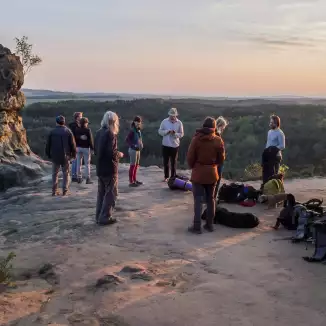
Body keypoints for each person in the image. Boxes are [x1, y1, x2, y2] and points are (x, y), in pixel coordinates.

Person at [187, 117, 225, 234]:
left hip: (198, 172)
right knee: (211, 199)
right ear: (214, 128)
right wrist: (213, 165)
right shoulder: (218, 140)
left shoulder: (196, 139)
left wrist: (194, 166)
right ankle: (209, 225)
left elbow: (190, 157)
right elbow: (222, 158)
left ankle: (197, 227)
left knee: (198, 200)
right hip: (212, 173)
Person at [94, 111, 124, 226]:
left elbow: (96, 150)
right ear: (114, 121)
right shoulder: (110, 134)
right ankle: (105, 216)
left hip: (100, 167)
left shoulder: (98, 132)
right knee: (111, 193)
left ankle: (98, 216)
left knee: (101, 193)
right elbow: (111, 152)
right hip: (110, 168)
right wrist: (119, 154)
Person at [45, 115, 76, 196]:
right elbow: (73, 144)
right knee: (66, 173)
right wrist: (74, 154)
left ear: (56, 122)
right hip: (66, 156)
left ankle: (54, 191)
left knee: (55, 174)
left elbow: (48, 144)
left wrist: (48, 154)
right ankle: (65, 190)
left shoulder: (52, 132)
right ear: (64, 122)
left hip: (55, 156)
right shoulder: (68, 131)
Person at [158, 107, 184, 181]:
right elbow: (160, 131)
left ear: (176, 115)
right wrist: (166, 132)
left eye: (173, 116)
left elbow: (182, 134)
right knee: (165, 162)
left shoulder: (179, 123)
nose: (172, 117)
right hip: (165, 144)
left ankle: (173, 177)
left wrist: (175, 134)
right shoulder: (164, 121)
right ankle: (166, 177)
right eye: (171, 115)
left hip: (175, 145)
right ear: (169, 115)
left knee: (173, 162)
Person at [262, 115, 285, 184]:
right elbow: (268, 143)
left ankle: (277, 188)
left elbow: (282, 146)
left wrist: (273, 149)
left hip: (276, 156)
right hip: (268, 156)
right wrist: (266, 151)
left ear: (276, 123)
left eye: (272, 123)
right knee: (267, 173)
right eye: (270, 122)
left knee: (274, 174)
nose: (271, 124)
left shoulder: (280, 133)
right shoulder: (269, 132)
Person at [75, 117, 94, 184]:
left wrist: (79, 137)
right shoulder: (88, 130)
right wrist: (92, 148)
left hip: (78, 148)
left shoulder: (77, 130)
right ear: (85, 123)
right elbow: (90, 140)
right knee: (87, 164)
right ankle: (88, 179)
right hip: (86, 148)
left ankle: (79, 178)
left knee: (78, 163)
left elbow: (74, 138)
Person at [126, 116, 143, 187]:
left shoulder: (138, 130)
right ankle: (131, 182)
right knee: (132, 165)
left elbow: (139, 139)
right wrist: (133, 146)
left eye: (139, 122)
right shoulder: (132, 131)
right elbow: (127, 140)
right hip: (133, 150)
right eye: (137, 121)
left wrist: (141, 144)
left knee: (136, 165)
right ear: (134, 122)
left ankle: (135, 180)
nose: (138, 123)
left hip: (138, 150)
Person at [214, 116, 228, 199]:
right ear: (220, 125)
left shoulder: (212, 133)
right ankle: (213, 197)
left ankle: (208, 196)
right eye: (223, 127)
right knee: (217, 178)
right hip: (217, 161)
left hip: (212, 160)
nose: (224, 129)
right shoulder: (217, 135)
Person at [69, 112, 83, 182]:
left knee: (75, 160)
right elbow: (75, 135)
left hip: (75, 144)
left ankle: (74, 176)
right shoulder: (74, 125)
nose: (81, 117)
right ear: (77, 117)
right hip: (76, 144)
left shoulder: (73, 125)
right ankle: (75, 176)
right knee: (76, 161)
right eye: (80, 116)